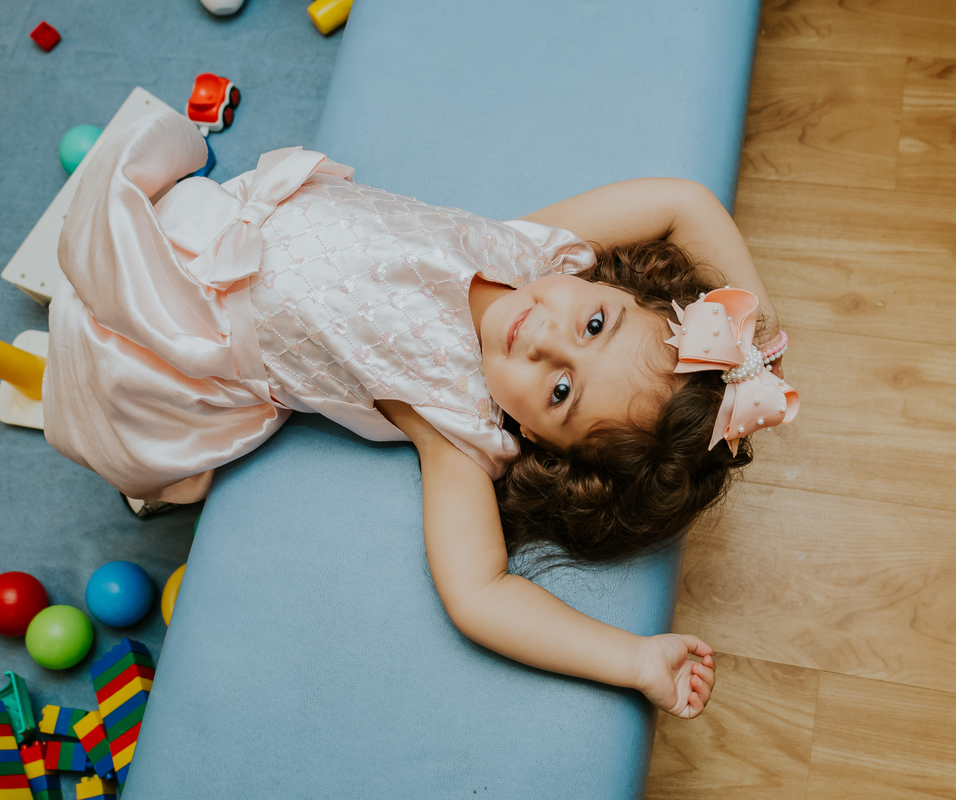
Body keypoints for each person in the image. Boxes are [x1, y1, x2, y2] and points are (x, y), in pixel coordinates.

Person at [43, 107, 799, 719]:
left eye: (560, 390)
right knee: (120, 211)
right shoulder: (547, 254)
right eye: (595, 324)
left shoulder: (454, 419)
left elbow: (479, 595)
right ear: (622, 292)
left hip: (191, 318)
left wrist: (633, 660)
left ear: (539, 439)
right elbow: (683, 203)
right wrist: (754, 342)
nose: (542, 338)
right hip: (234, 213)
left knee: (101, 298)